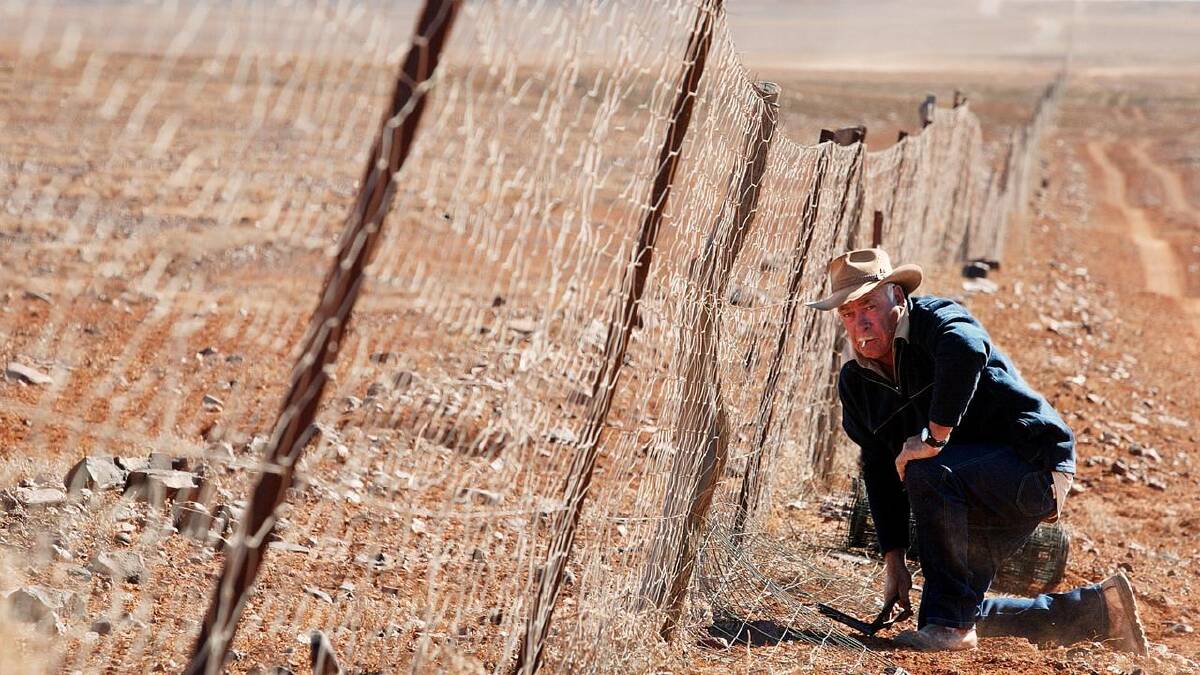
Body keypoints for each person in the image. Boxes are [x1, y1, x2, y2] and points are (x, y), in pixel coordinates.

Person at [806, 247, 1147, 653]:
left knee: (925, 472)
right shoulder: (857, 383)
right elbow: (878, 468)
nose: (860, 323)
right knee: (947, 606)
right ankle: (1101, 611)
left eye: (869, 306)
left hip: (1031, 466)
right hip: (968, 484)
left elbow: (967, 351)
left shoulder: (935, 320)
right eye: (848, 313)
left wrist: (932, 438)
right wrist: (893, 557)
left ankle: (950, 628)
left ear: (897, 297)